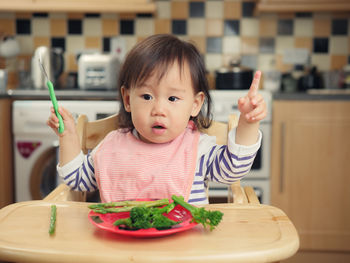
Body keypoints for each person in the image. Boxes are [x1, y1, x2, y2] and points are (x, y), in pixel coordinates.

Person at [47, 34, 267, 205]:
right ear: (127, 99)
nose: (159, 109)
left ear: (195, 104)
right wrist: (68, 136)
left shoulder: (197, 148)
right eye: (147, 96)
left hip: (185, 250)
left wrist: (248, 123)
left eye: (173, 98)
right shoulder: (112, 145)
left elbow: (232, 170)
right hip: (123, 248)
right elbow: (78, 180)